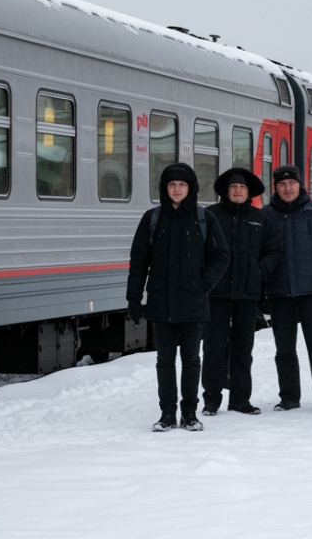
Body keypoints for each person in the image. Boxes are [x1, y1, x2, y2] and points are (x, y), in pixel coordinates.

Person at [127, 162, 230, 432]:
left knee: (191, 360)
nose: (176, 189)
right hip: (161, 303)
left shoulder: (204, 219)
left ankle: (189, 413)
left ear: (190, 188)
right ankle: (167, 414)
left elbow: (221, 256)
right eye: (171, 185)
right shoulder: (152, 219)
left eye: (181, 185)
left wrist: (203, 284)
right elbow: (139, 261)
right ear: (164, 188)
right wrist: (134, 298)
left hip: (193, 303)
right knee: (164, 361)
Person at [202, 168, 283, 416]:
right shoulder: (210, 216)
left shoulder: (260, 218)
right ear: (226, 191)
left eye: (242, 187)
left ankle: (240, 399)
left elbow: (274, 251)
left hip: (248, 294)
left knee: (242, 348)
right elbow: (198, 249)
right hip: (215, 294)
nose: (238, 191)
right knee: (214, 348)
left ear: (249, 192)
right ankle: (212, 399)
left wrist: (259, 271)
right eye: (233, 187)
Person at [262, 164, 312, 414]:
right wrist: (262, 290)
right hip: (279, 292)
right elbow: (259, 255)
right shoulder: (266, 215)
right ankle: (289, 397)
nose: (288, 188)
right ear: (276, 187)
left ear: (300, 185)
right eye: (282, 184)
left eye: (292, 183)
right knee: (284, 348)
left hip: (311, 292)